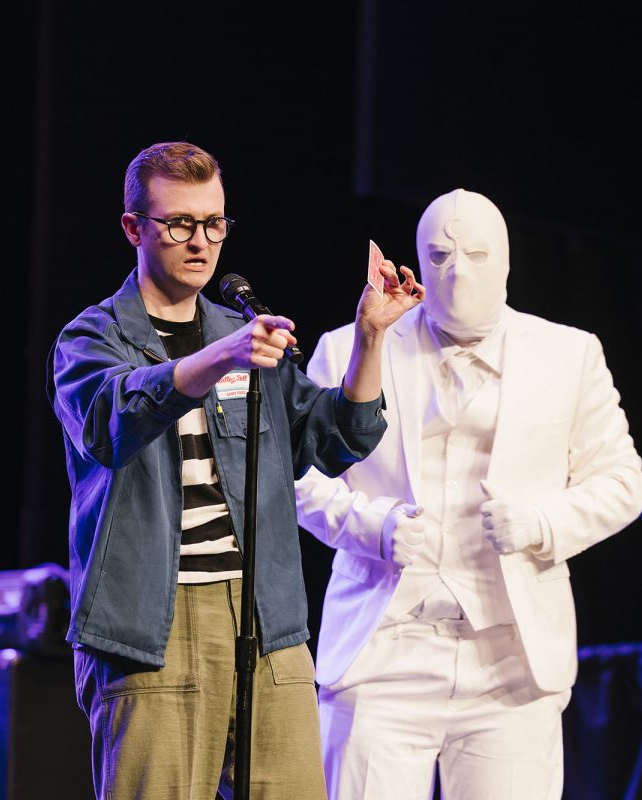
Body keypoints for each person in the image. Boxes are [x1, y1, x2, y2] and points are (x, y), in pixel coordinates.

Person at [48, 141, 424, 800]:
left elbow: (333, 437)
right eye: (179, 224)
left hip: (265, 618)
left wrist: (370, 337)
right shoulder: (91, 339)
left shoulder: (241, 332)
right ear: (134, 228)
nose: (201, 242)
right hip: (150, 627)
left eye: (214, 223)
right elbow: (113, 418)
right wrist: (219, 356)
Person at [295, 188, 642, 799]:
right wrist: (369, 526)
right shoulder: (349, 346)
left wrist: (542, 521)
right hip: (383, 653)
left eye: (477, 253)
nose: (458, 271)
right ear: (418, 261)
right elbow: (299, 477)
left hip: (512, 662)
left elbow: (623, 481)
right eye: (439, 255)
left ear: (507, 261)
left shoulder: (568, 354)